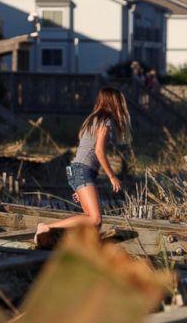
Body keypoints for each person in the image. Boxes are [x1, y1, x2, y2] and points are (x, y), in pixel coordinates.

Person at [34, 87, 129, 245]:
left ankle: (73, 245)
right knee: (95, 219)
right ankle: (46, 228)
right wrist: (112, 176)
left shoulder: (94, 119)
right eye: (120, 102)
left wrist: (80, 187)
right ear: (114, 102)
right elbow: (99, 151)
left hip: (79, 171)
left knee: (92, 222)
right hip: (82, 172)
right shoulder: (106, 121)